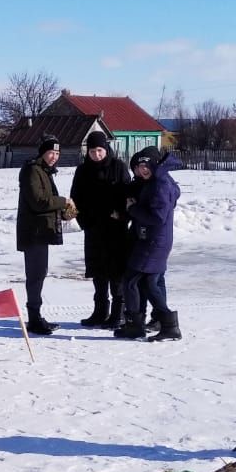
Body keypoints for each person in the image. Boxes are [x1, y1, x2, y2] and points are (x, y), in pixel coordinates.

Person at [115, 147, 182, 342]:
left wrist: (133, 209)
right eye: (138, 167)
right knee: (150, 282)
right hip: (156, 239)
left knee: (132, 280)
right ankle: (155, 325)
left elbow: (158, 217)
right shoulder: (159, 180)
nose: (141, 170)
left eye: (145, 166)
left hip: (154, 241)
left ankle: (157, 324)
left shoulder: (160, 183)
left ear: (154, 165)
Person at [70, 130, 131, 328]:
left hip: (115, 231)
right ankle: (99, 312)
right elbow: (75, 199)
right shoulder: (82, 171)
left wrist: (121, 215)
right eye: (92, 151)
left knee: (116, 274)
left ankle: (118, 313)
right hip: (93, 230)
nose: (96, 155)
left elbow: (128, 196)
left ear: (106, 149)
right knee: (98, 273)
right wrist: (84, 222)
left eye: (99, 150)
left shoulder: (118, 167)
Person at [15, 136, 68, 335]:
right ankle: (34, 318)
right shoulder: (32, 170)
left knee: (40, 272)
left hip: (40, 231)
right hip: (33, 232)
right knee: (36, 275)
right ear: (42, 153)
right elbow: (38, 201)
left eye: (57, 154)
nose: (54, 157)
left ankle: (36, 316)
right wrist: (63, 202)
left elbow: (46, 202)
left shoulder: (44, 171)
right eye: (50, 153)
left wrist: (62, 212)